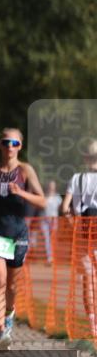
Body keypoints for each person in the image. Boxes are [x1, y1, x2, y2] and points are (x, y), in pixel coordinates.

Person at [0, 128, 46, 350]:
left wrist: (21, 193)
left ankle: (9, 313)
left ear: (20, 146)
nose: (10, 147)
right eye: (6, 142)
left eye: (14, 143)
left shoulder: (25, 170)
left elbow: (41, 201)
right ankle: (1, 331)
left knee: (12, 285)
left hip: (18, 232)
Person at [59, 138, 97, 337]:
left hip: (82, 234)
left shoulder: (76, 179)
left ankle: (92, 324)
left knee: (88, 278)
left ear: (85, 158)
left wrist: (75, 225)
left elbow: (65, 208)